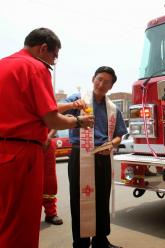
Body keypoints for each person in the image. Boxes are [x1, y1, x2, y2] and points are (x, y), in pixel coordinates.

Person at [0, 28, 94, 248]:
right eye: (54, 57)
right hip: (22, 155)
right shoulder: (35, 67)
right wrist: (79, 121)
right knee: (21, 224)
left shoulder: (4, 65)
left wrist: (70, 105)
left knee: (4, 218)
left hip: (4, 150)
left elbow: (36, 108)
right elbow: (51, 119)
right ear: (43, 48)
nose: (53, 63)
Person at [63, 66, 127, 248]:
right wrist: (72, 106)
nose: (101, 84)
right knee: (78, 199)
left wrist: (112, 144)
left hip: (102, 155)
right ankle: (80, 243)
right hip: (80, 154)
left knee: (101, 198)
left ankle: (101, 241)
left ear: (111, 87)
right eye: (99, 79)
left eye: (106, 82)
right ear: (93, 79)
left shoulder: (113, 108)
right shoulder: (78, 100)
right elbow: (54, 109)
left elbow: (119, 135)